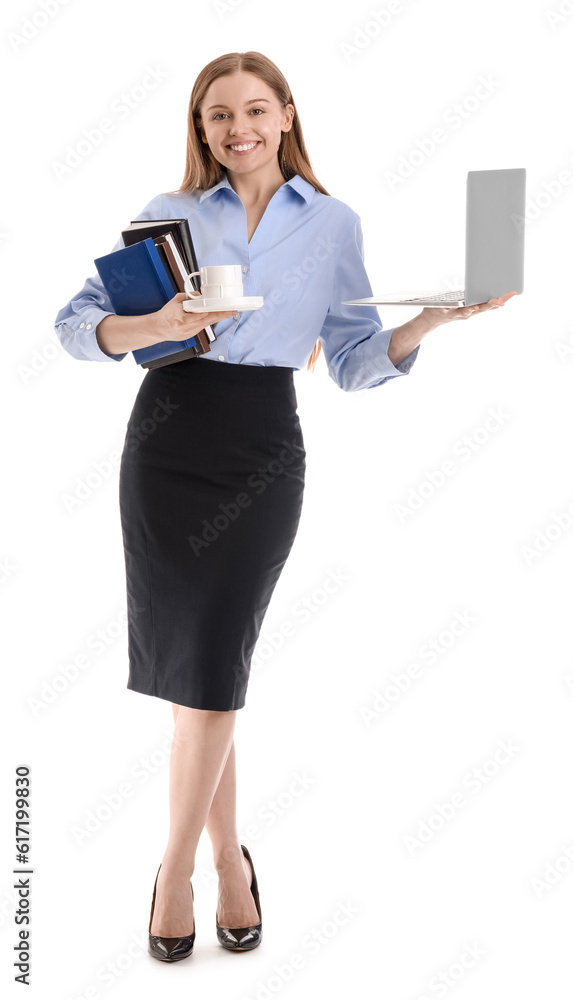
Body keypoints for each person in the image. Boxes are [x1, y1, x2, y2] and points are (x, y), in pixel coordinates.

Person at [53, 50, 515, 963]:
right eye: (218, 116)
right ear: (201, 130)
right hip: (167, 439)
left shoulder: (334, 222)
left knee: (215, 664)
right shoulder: (170, 215)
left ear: (288, 115)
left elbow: (348, 360)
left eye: (255, 110)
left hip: (262, 449)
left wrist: (428, 323)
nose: (239, 130)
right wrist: (160, 326)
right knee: (200, 681)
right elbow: (75, 326)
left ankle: (176, 869)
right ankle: (224, 862)